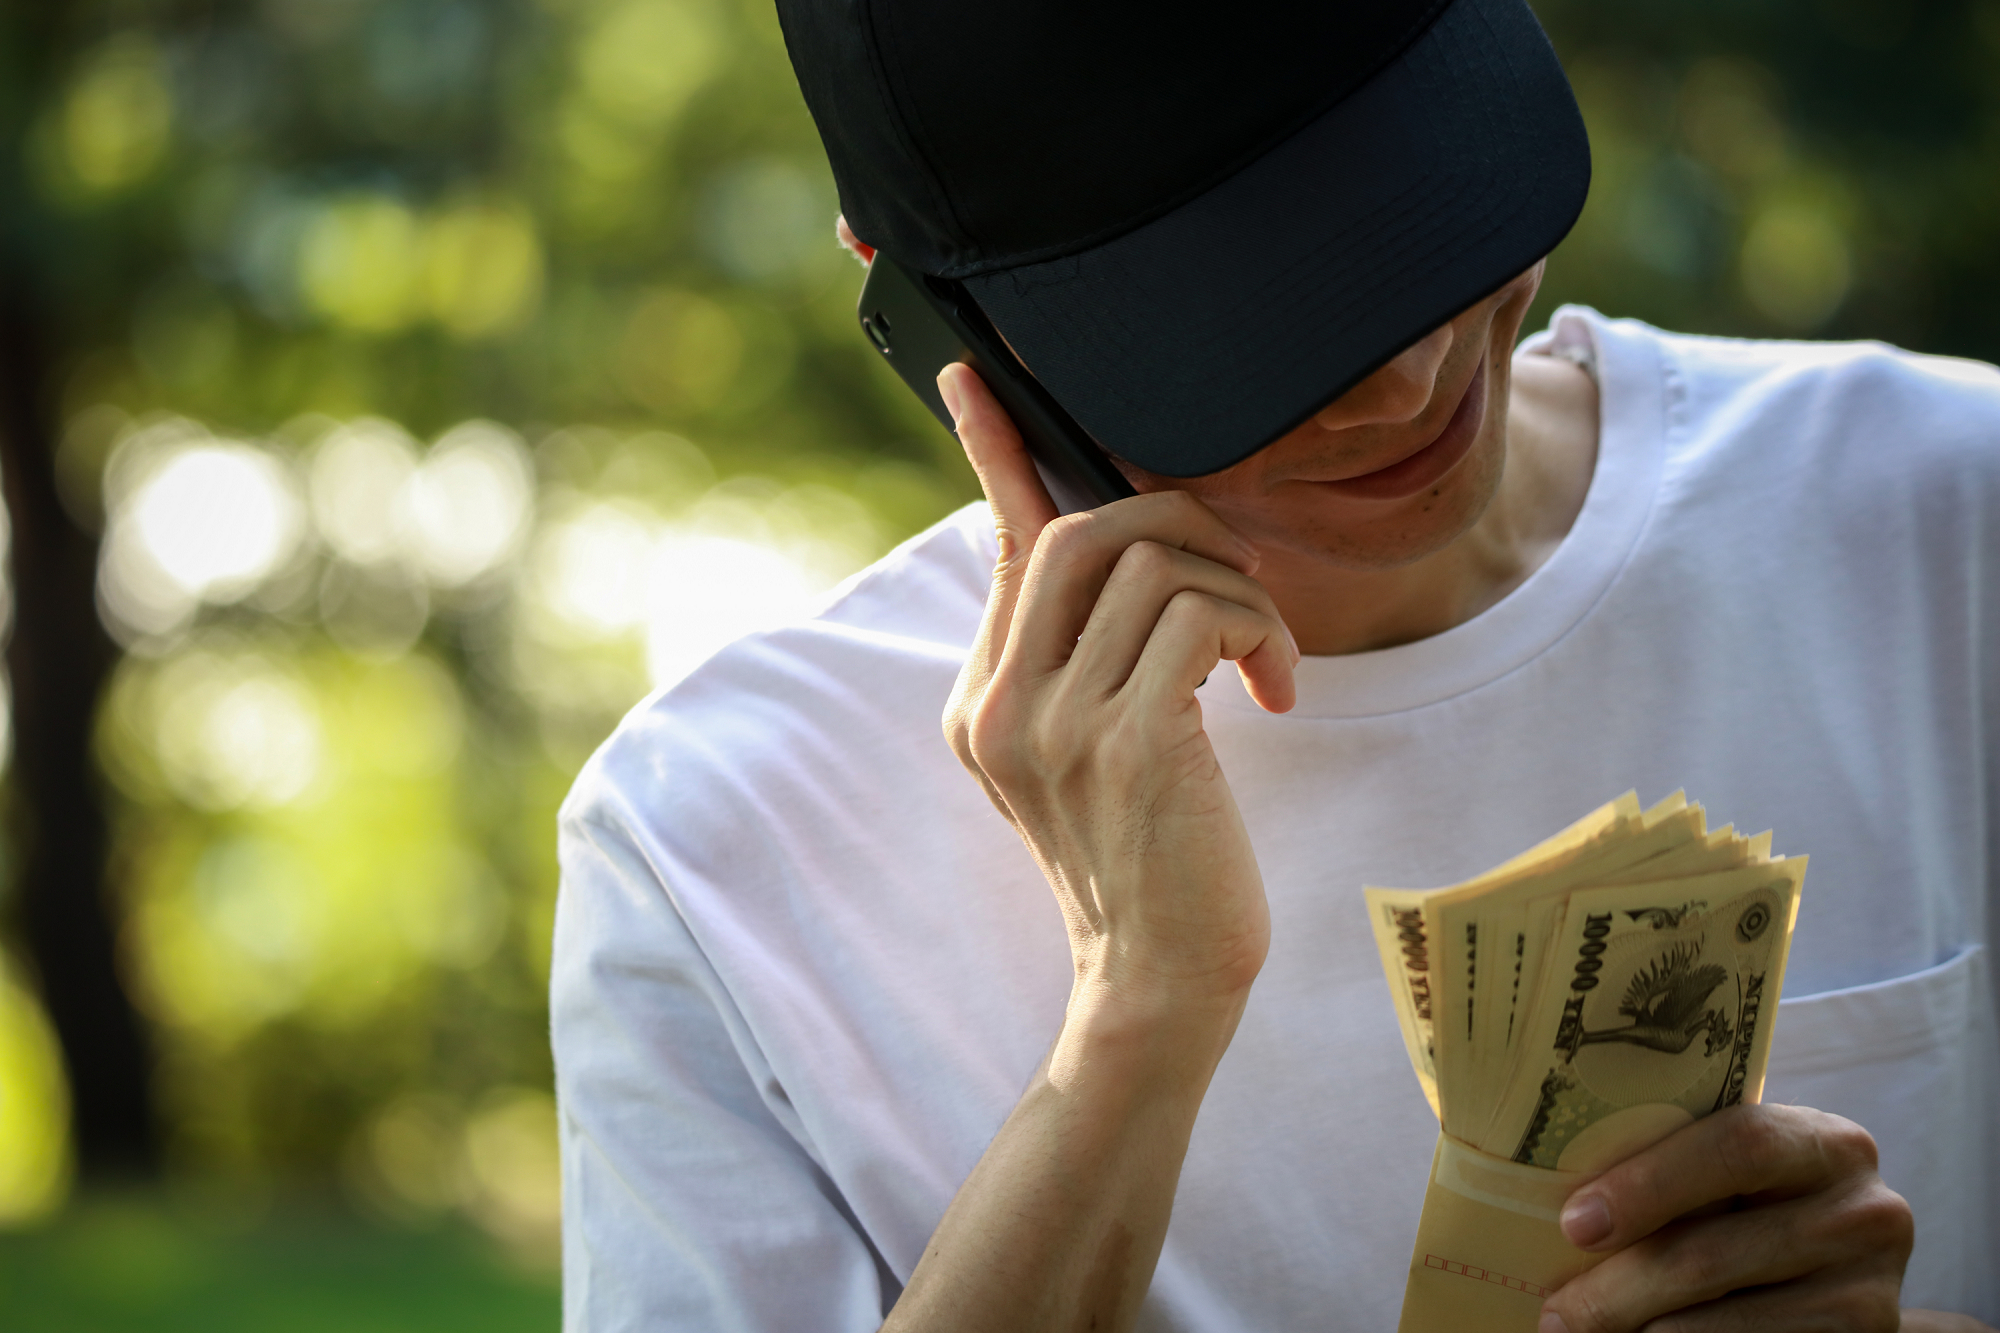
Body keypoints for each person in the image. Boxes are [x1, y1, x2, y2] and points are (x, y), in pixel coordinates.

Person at [550, 1, 2000, 1329]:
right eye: (1243, 325)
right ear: (930, 319)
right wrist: (1133, 1023)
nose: (1405, 381)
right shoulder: (713, 852)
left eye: (1423, 218)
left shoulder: (1948, 523)